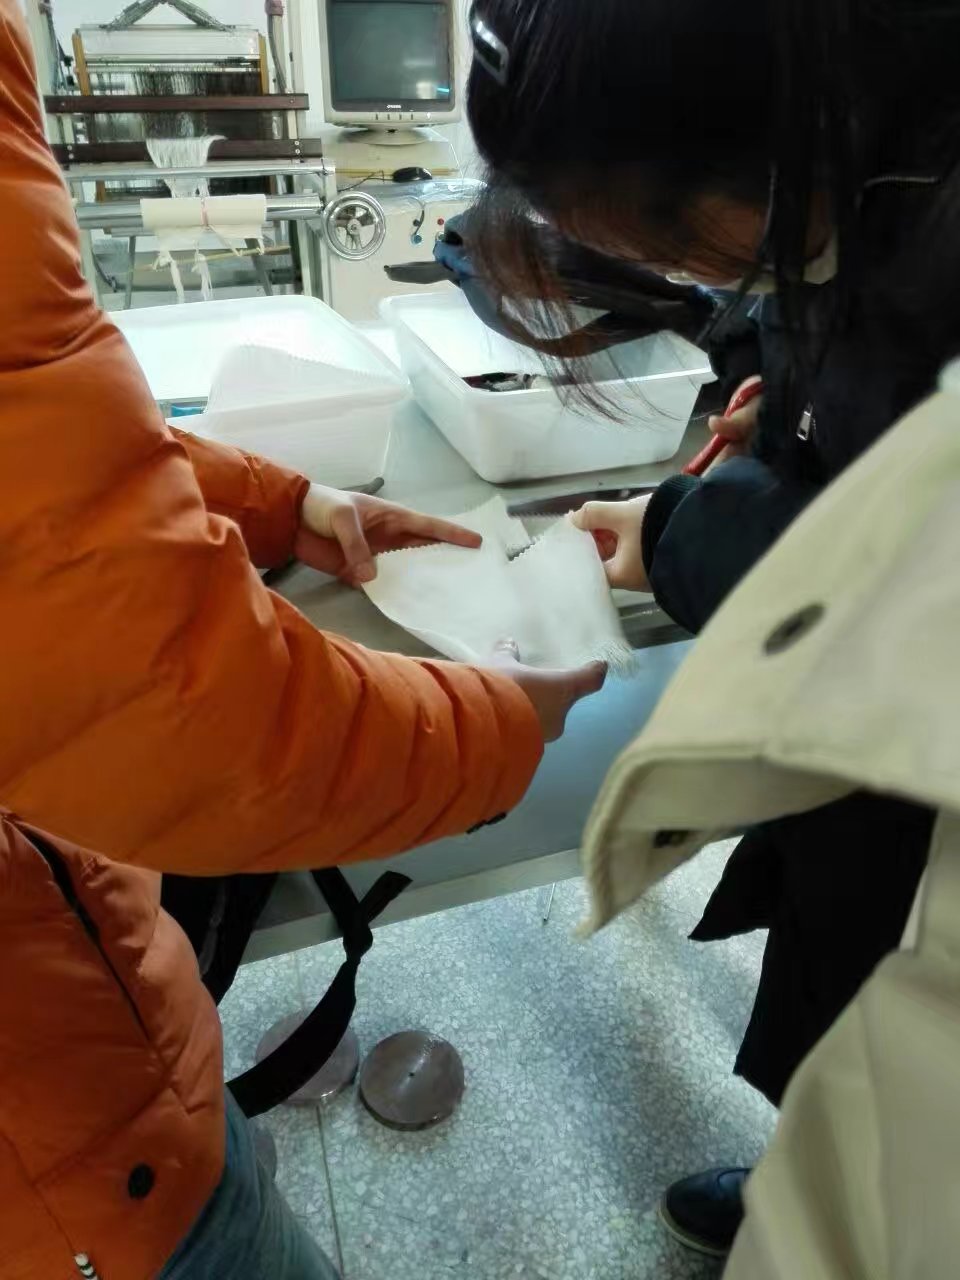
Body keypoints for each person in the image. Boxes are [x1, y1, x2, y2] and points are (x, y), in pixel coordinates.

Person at [0, 7, 606, 1279]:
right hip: (66, 1188)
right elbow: (198, 716)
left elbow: (49, 433)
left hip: (86, 1003)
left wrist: (286, 503)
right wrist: (502, 718)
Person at [464, 0, 960, 1258]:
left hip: (923, 782)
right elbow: (836, 331)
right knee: (830, 978)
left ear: (771, 144)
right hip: (844, 769)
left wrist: (680, 527)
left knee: (898, 1050)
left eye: (678, 242)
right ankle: (809, 1161)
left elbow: (916, 583)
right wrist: (785, 395)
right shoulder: (848, 153)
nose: (683, 278)